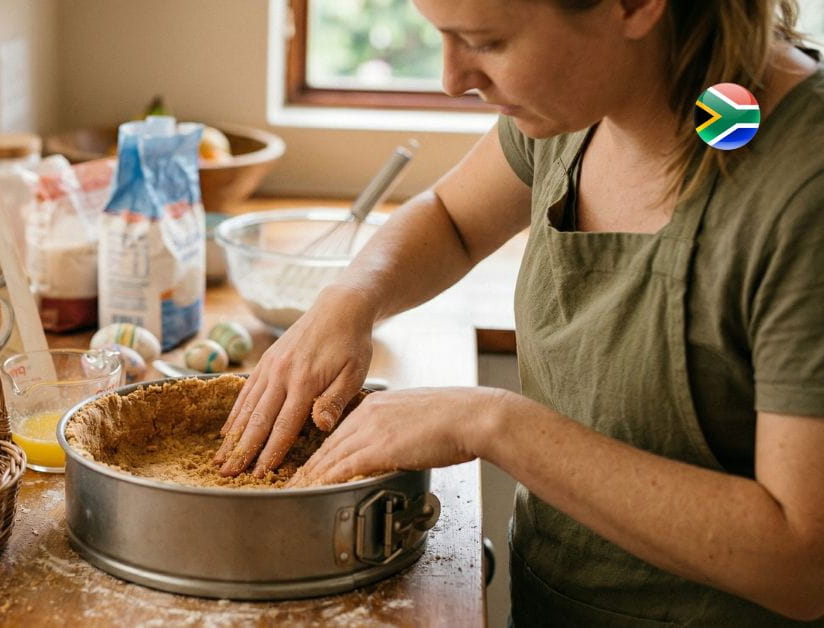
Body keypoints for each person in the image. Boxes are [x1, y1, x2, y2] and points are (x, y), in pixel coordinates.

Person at [212, 0, 824, 624]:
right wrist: (349, 300)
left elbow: (804, 564)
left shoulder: (806, 189)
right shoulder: (579, 105)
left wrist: (491, 422)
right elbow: (450, 219)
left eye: (487, 42)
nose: (452, 79)